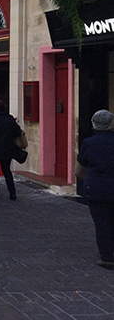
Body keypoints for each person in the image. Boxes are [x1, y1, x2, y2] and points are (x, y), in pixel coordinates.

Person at [78, 110, 114, 270]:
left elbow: (82, 161)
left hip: (96, 187)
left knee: (101, 223)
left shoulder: (89, 142)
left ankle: (107, 256)